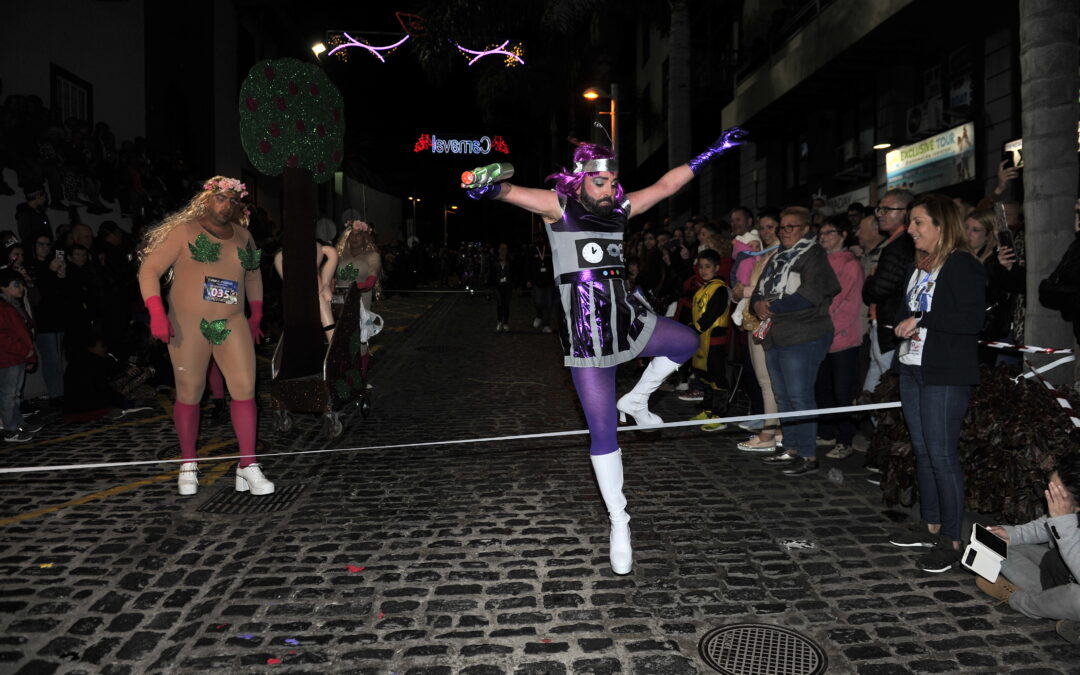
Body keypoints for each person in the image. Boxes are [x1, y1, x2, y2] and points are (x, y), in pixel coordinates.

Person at [462, 129, 745, 574]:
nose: (610, 188)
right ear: (580, 180)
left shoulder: (620, 209)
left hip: (627, 318)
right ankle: (620, 522)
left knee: (686, 341)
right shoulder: (559, 206)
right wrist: (486, 187)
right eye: (601, 181)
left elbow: (666, 185)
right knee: (603, 434)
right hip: (586, 335)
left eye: (613, 180)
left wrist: (714, 150)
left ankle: (637, 399)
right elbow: (510, 191)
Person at [137, 176, 273, 496]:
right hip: (188, 324)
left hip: (232, 322)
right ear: (206, 199)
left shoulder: (244, 236)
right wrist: (156, 312)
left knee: (245, 389)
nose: (226, 206)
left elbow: (253, 277)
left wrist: (256, 315)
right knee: (190, 392)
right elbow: (149, 270)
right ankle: (188, 463)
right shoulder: (183, 231)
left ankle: (247, 465)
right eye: (220, 198)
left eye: (232, 200)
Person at [887, 194, 985, 573]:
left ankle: (951, 538)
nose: (910, 229)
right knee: (923, 449)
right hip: (913, 367)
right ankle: (929, 523)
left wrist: (922, 319)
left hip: (944, 372)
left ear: (941, 226)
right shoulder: (921, 266)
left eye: (918, 222)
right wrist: (904, 322)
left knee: (942, 455)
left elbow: (971, 319)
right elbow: (907, 310)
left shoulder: (961, 264)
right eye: (910, 222)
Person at [750, 206, 840, 476]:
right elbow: (759, 291)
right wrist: (757, 304)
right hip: (776, 334)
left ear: (805, 229)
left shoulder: (813, 255)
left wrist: (770, 307)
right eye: (782, 227)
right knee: (783, 395)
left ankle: (808, 454)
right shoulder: (779, 256)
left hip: (804, 334)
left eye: (791, 227)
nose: (784, 232)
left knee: (800, 396)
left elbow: (809, 294)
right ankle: (791, 447)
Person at [977, 453, 1080, 644]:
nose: (1047, 496)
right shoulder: (1072, 508)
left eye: (1055, 495)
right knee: (1004, 549)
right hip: (1059, 573)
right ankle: (1054, 605)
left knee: (1076, 598)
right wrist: (1013, 535)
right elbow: (1048, 524)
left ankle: (1019, 599)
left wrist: (1064, 521)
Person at [815, 216, 864, 458]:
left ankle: (845, 439)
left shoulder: (849, 263)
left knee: (842, 391)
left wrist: (819, 319)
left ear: (843, 235)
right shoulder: (820, 261)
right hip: (820, 335)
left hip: (843, 336)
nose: (824, 237)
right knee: (822, 387)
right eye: (822, 233)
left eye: (830, 232)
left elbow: (841, 301)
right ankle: (827, 432)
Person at [735, 211, 782, 451]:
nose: (766, 232)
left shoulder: (779, 254)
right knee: (766, 380)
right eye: (762, 228)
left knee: (767, 381)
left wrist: (743, 291)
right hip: (754, 320)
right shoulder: (764, 253)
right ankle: (774, 429)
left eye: (770, 227)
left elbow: (771, 289)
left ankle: (769, 433)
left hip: (766, 321)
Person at [861, 189, 916, 394]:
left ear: (905, 212)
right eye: (879, 209)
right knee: (877, 376)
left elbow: (877, 290)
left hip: (892, 324)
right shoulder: (895, 243)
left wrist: (870, 281)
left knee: (889, 381)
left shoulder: (901, 245)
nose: (880, 215)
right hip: (885, 322)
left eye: (886, 210)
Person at [686, 249, 731, 431]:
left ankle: (719, 415)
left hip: (714, 340)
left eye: (708, 267)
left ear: (717, 268)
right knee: (704, 376)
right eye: (701, 267)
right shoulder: (703, 288)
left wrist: (695, 328)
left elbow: (712, 314)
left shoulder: (719, 288)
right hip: (701, 339)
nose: (704, 270)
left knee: (716, 377)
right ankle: (708, 409)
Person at [335, 220, 381, 382]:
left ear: (365, 238)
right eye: (352, 235)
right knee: (340, 341)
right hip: (339, 304)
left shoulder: (372, 256)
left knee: (360, 340)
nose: (355, 239)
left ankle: (360, 378)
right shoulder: (339, 255)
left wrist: (363, 284)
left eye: (359, 235)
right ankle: (342, 378)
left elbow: (372, 277)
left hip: (360, 303)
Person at [0, 268, 42, 443]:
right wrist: (23, 350)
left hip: (16, 357)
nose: (21, 288)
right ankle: (10, 429)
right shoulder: (3, 308)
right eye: (16, 284)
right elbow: (3, 337)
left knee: (15, 394)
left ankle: (17, 424)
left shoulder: (13, 305)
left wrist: (28, 354)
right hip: (8, 358)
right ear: (3, 287)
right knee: (9, 395)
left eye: (21, 284)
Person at [526, 233, 555, 333]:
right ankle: (539, 315)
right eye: (538, 238)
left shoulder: (549, 250)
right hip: (537, 281)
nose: (540, 239)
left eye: (542, 238)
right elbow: (528, 265)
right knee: (538, 301)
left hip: (549, 282)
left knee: (548, 304)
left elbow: (553, 265)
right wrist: (528, 280)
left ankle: (546, 325)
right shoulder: (532, 250)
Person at [490, 242, 513, 332]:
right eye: (502, 249)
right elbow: (491, 273)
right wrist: (490, 284)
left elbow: (514, 273)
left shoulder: (510, 260)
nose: (504, 250)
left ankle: (506, 323)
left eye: (506, 249)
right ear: (499, 250)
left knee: (506, 304)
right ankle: (499, 322)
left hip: (507, 286)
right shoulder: (494, 260)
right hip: (497, 286)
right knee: (500, 304)